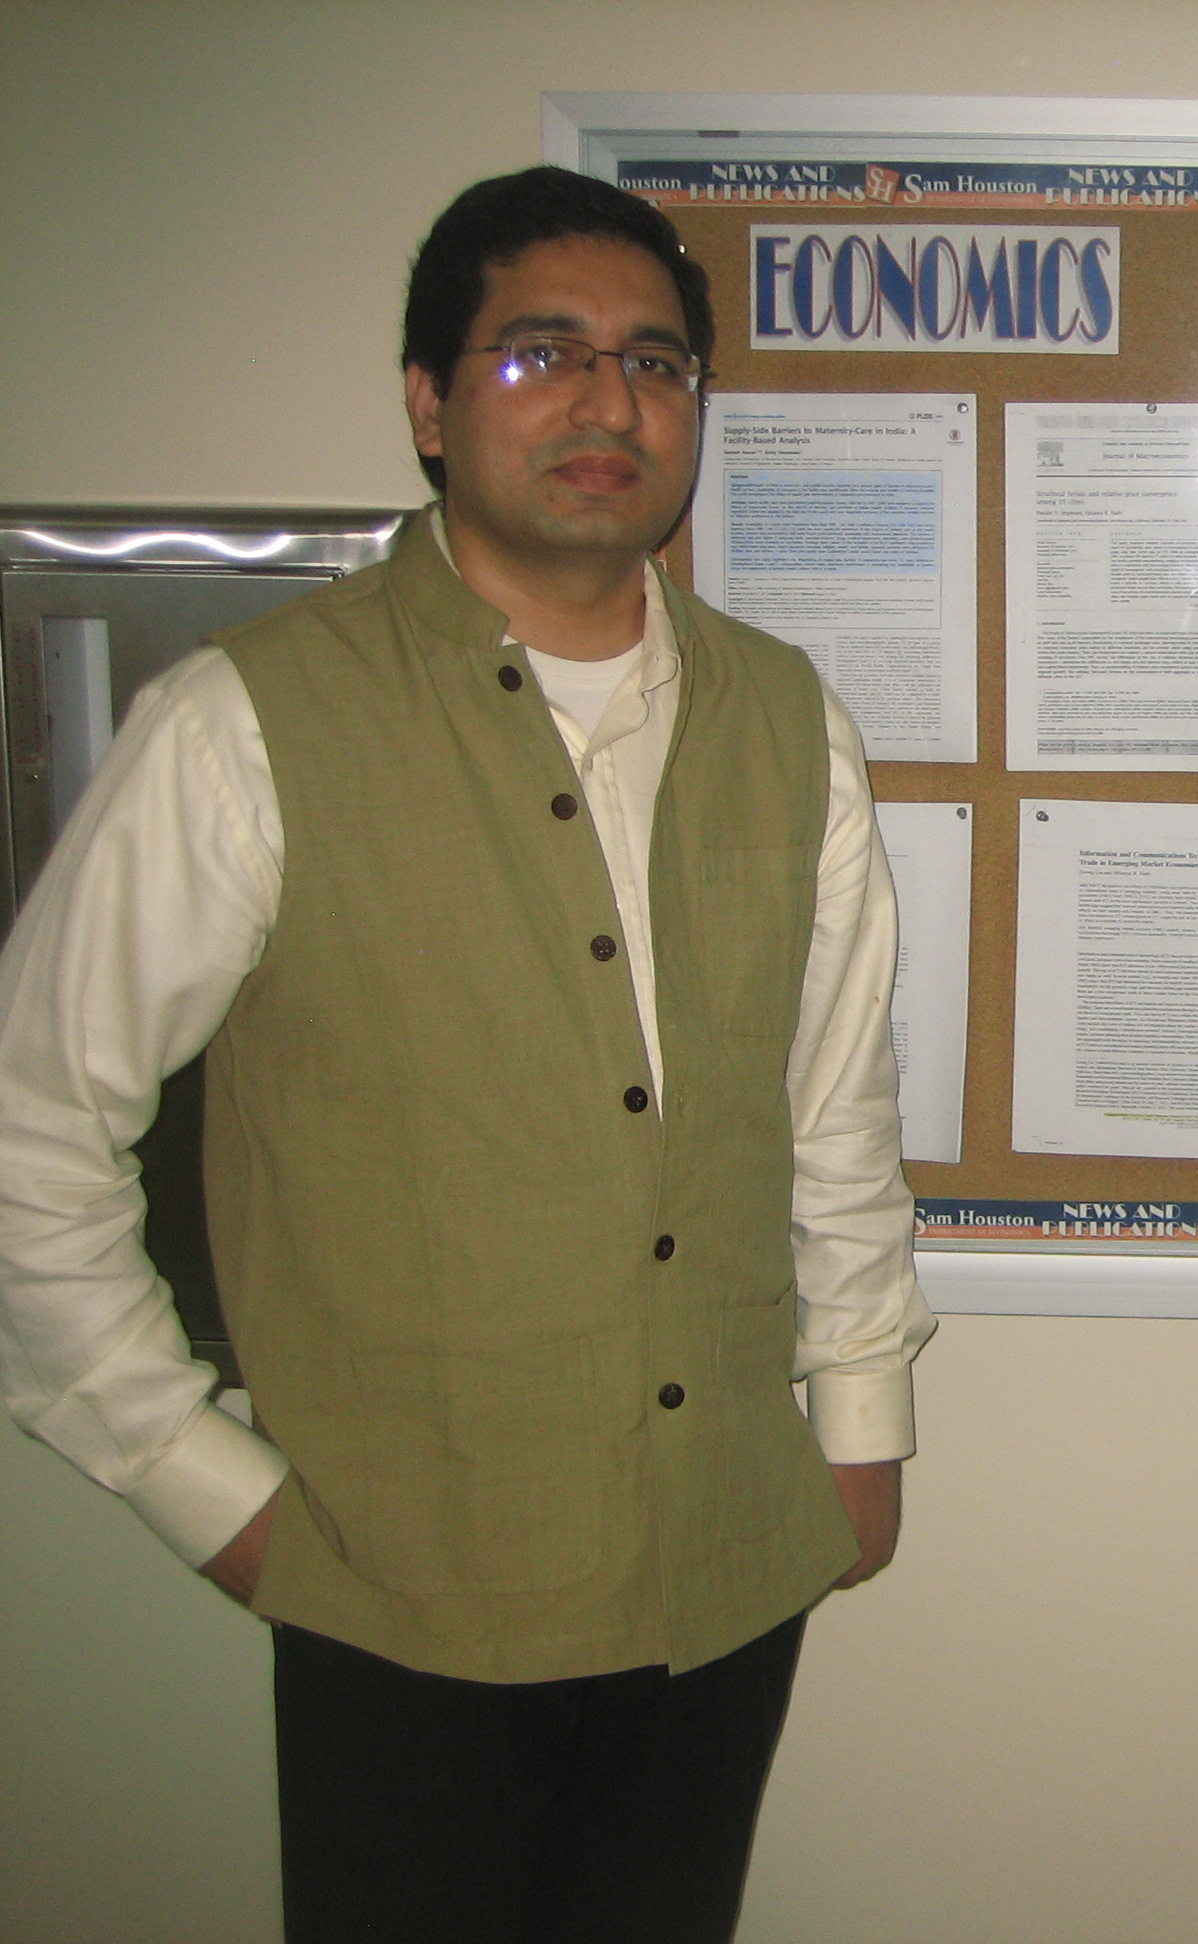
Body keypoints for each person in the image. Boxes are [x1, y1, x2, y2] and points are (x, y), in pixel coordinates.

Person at [0, 167, 933, 1941]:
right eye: (541, 353)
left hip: (724, 1572)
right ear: (429, 405)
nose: (608, 401)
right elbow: (28, 1134)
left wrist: (863, 1416)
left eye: (658, 364)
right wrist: (215, 1498)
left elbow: (836, 1106)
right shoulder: (249, 724)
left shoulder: (788, 718)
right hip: (397, 1589)